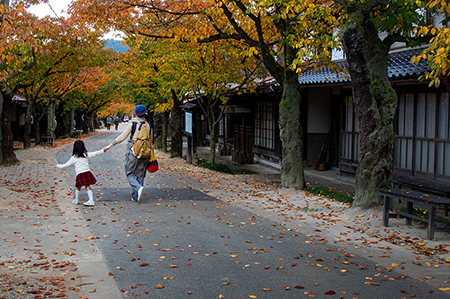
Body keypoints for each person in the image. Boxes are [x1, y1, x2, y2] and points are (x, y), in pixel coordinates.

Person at [104, 105, 153, 202]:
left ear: (136, 113)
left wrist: (110, 145)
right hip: (146, 151)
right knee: (141, 173)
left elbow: (122, 137)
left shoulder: (133, 124)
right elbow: (151, 140)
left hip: (134, 150)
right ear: (145, 112)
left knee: (129, 172)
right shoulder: (149, 125)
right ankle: (136, 196)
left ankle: (138, 188)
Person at [56, 140, 107, 206]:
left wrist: (58, 166)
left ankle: (76, 200)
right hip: (87, 172)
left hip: (80, 174)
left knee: (78, 187)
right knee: (87, 187)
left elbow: (66, 164)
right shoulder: (85, 154)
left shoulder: (74, 157)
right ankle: (91, 200)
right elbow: (95, 153)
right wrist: (102, 150)